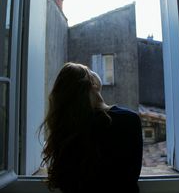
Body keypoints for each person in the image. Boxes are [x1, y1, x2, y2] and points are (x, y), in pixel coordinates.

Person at [40, 62, 143, 193]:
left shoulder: (69, 129)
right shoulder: (129, 120)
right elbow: (131, 176)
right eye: (88, 70)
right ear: (92, 83)